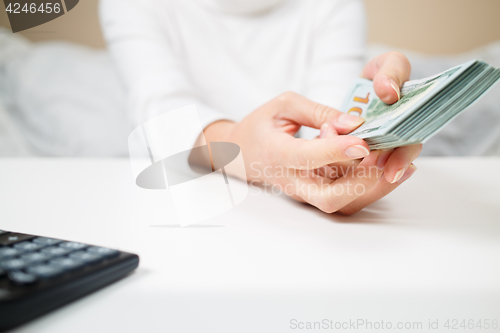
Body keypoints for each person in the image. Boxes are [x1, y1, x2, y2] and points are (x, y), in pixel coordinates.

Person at [99, 0, 421, 215]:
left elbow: (329, 136)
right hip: (176, 206)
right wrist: (242, 146)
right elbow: (162, 116)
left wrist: (355, 128)